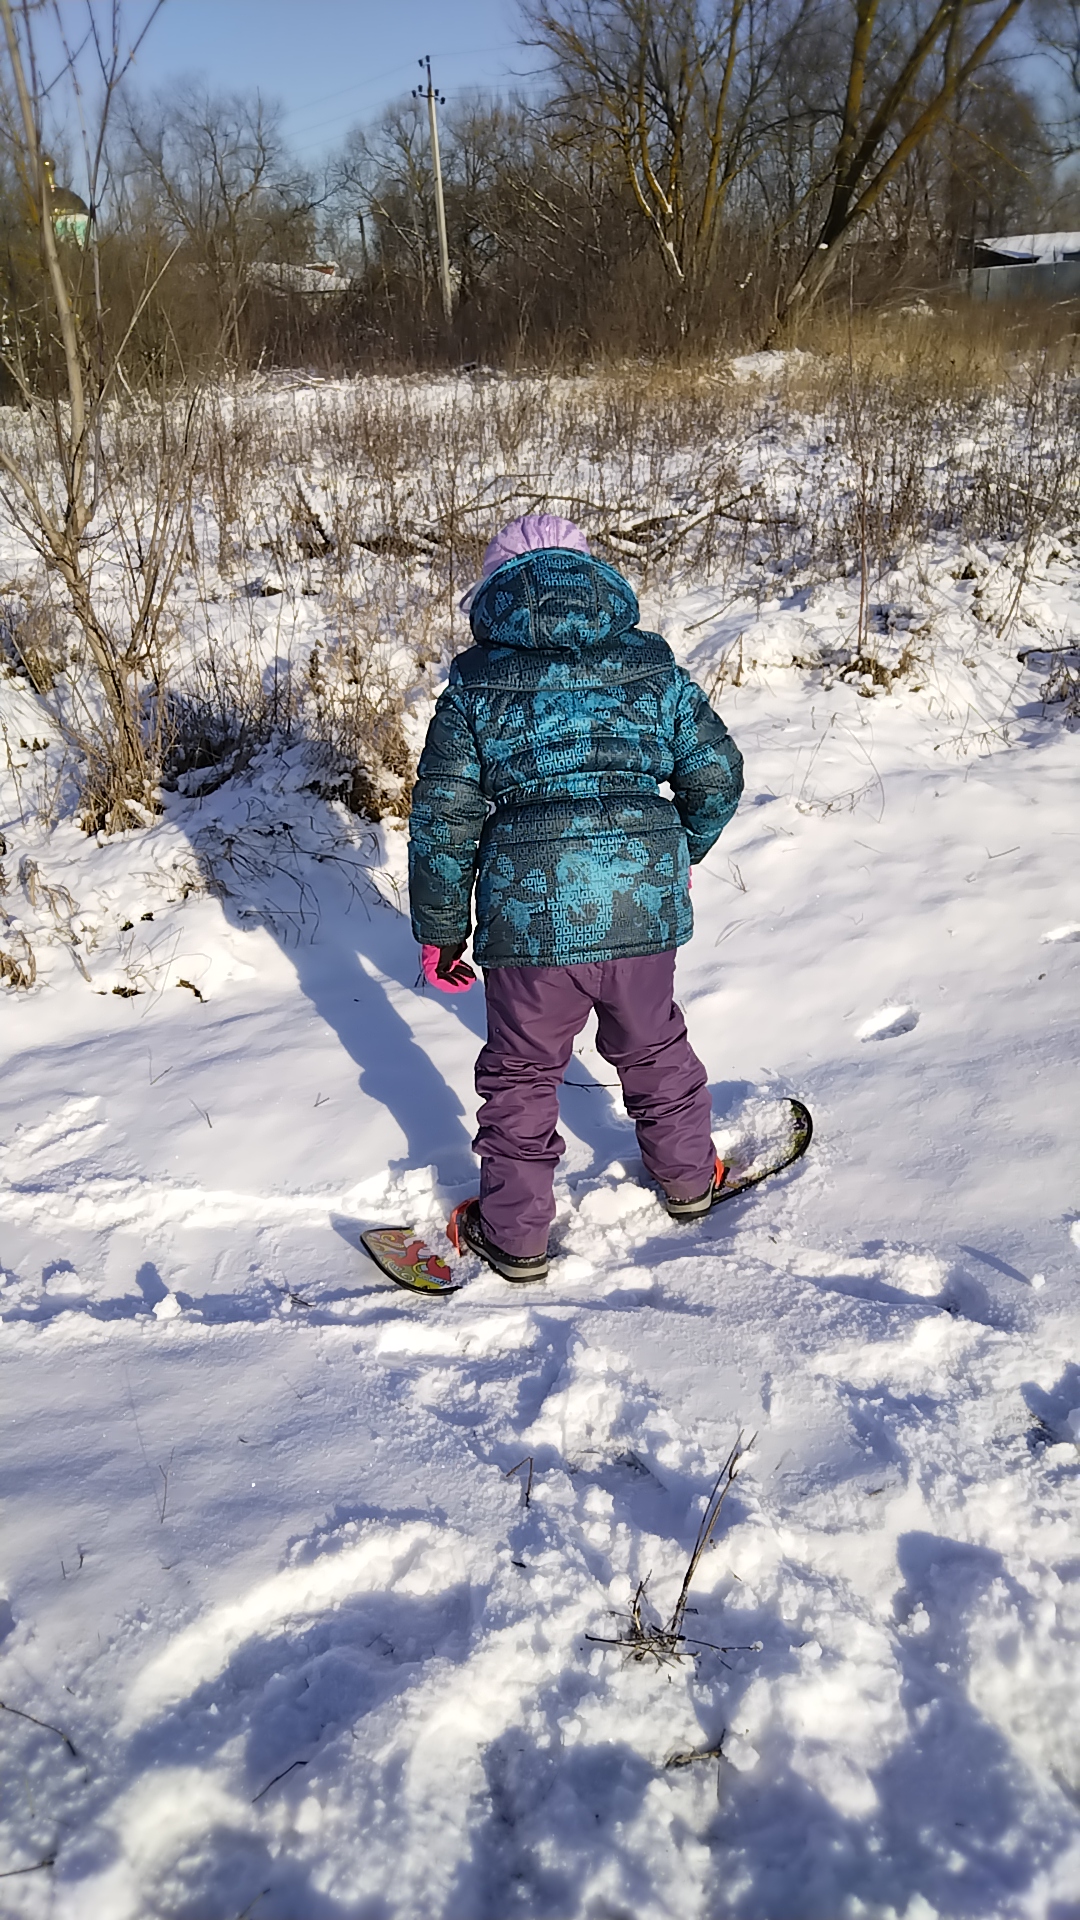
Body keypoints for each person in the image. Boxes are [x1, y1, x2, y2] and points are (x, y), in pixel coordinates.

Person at [408, 515, 744, 1283]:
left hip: (533, 913)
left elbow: (444, 817)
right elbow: (718, 773)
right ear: (593, 580)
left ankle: (517, 1235)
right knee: (652, 1043)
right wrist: (673, 852)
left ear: (493, 589)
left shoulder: (475, 685)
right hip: (639, 902)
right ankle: (691, 1181)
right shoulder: (653, 668)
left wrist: (441, 928)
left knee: (523, 1072)